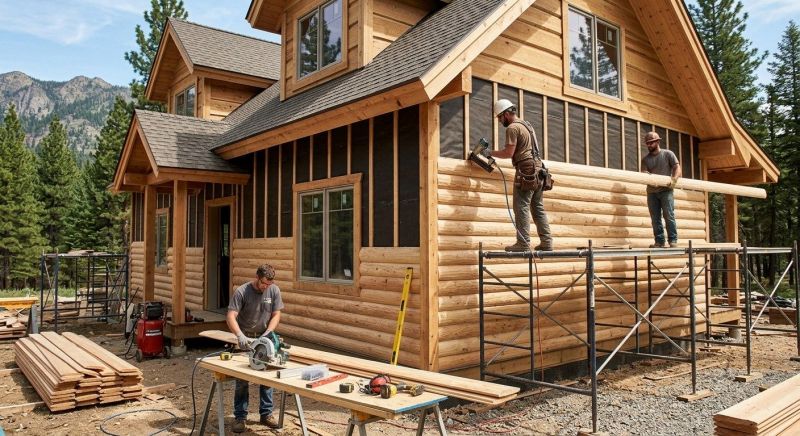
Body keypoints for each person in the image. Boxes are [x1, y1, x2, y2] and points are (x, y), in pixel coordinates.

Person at [484, 99, 553, 251]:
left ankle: (523, 243)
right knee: (537, 207)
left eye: (500, 117)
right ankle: (547, 242)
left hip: (526, 170)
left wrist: (489, 153)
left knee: (521, 206)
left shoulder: (513, 128)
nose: (500, 121)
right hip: (539, 169)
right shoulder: (527, 125)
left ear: (506, 114)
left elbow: (509, 153)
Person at [226, 264, 284, 433]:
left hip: (264, 336)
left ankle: (266, 414)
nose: (266, 287)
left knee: (266, 376)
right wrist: (239, 335)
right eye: (264, 283)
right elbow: (231, 315)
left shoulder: (274, 290)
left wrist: (268, 333)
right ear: (257, 278)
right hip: (246, 337)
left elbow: (276, 314)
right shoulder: (242, 291)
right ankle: (240, 417)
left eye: (269, 284)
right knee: (242, 379)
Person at [640, 131, 682, 248]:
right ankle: (659, 241)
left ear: (658, 142)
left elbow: (677, 167)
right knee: (655, 218)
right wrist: (645, 174)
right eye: (647, 143)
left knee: (669, 215)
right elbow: (643, 173)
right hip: (652, 192)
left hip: (666, 190)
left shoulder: (668, 154)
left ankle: (673, 240)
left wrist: (674, 180)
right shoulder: (645, 160)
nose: (649, 145)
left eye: (651, 143)